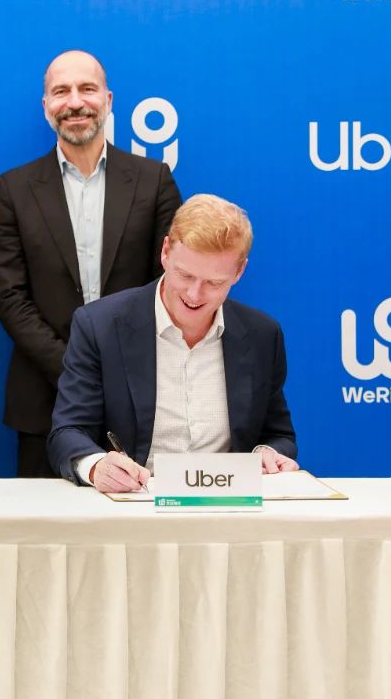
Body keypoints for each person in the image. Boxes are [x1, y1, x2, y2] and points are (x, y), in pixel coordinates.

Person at [0, 49, 181, 476]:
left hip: (139, 396)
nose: (75, 102)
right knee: (43, 519)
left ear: (108, 100)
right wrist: (76, 368)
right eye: (61, 92)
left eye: (87, 89)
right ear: (46, 106)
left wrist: (117, 370)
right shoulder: (14, 189)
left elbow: (170, 284)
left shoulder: (154, 181)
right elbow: (10, 297)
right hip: (44, 398)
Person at [46, 194, 298, 492]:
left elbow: (278, 434)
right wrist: (97, 465)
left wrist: (268, 454)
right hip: (135, 501)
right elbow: (67, 432)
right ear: (165, 252)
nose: (194, 294)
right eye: (185, 275)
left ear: (239, 271)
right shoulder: (100, 326)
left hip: (228, 503)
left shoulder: (262, 335)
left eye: (214, 282)